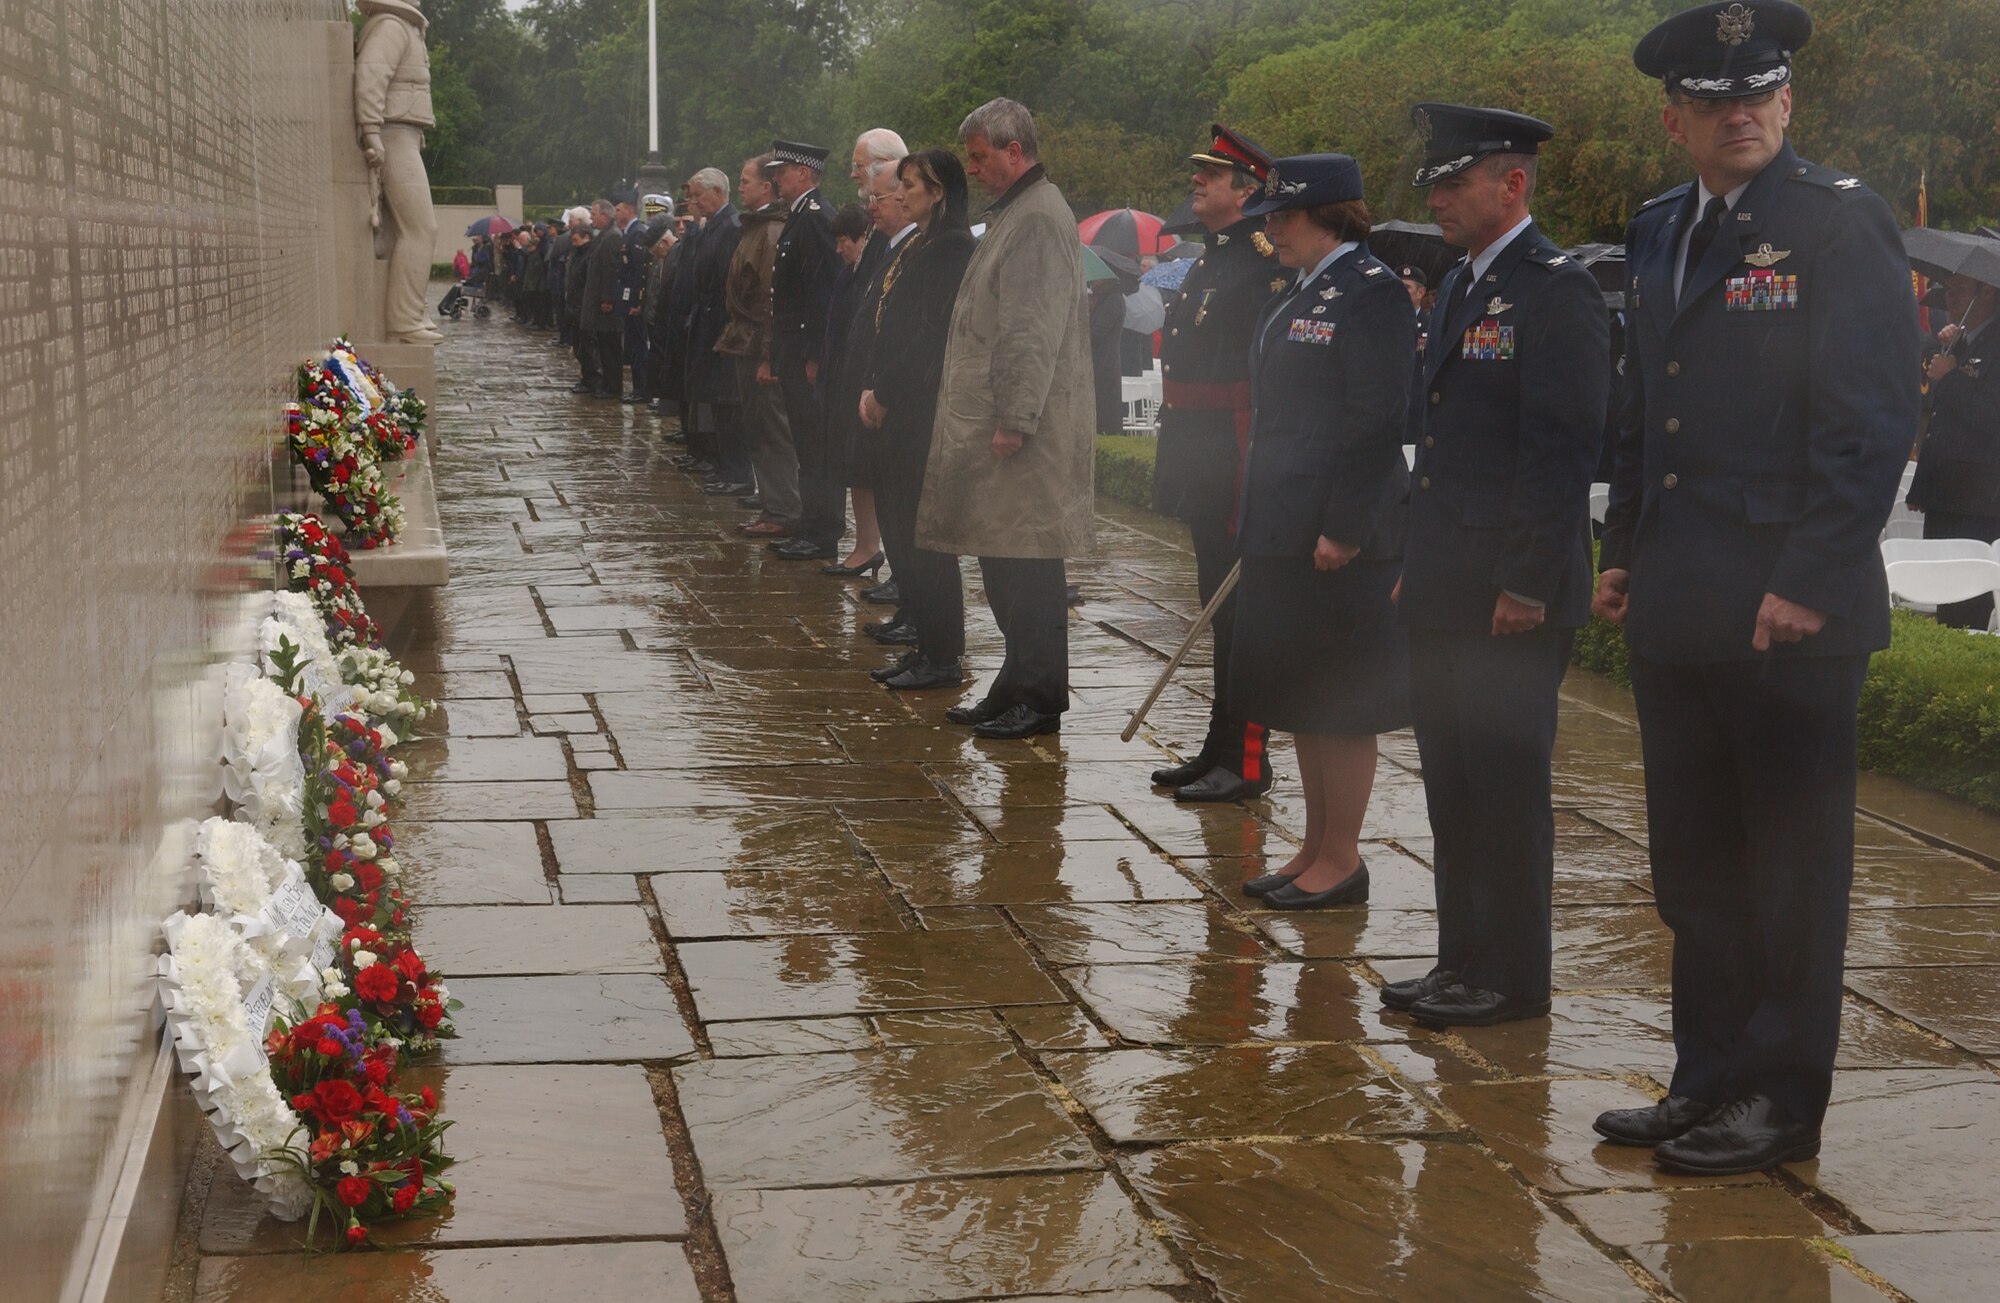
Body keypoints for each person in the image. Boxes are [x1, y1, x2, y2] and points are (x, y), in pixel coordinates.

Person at [1592, 0, 1920, 1175]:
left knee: (1787, 870)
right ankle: (1706, 1077)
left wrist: (1810, 579)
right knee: (1694, 864)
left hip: (1788, 611)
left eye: (1757, 97)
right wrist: (1621, 543)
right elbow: (1642, 407)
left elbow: (1871, 420)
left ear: (1784, 103)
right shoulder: (1652, 227)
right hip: (1682, 598)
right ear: (1674, 118)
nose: (1738, 116)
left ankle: (1778, 1100)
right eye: (1712, 102)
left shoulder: (1836, 225)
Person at [1390, 104, 1610, 1026]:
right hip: (1447, 578)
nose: (1437, 198)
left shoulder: (1556, 291)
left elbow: (1559, 452)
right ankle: (1460, 958)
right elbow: (1440, 443)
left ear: (1511, 183)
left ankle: (1512, 977)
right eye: (1433, 183)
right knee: (1453, 783)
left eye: (1454, 182)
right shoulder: (1460, 283)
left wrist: (1524, 578)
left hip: (1509, 593)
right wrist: (1416, 560)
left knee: (1506, 787)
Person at [1224, 153, 1412, 909]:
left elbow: (1374, 420)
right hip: (1285, 526)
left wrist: (1343, 526)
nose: (1273, 232)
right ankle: (1312, 845)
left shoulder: (1370, 294)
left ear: (1332, 212)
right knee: (1302, 691)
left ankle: (1343, 855)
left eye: (1284, 217)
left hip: (1339, 536)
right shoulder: (1299, 289)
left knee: (1342, 699)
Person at [922, 98, 1095, 740]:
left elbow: (1028, 328)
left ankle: (1041, 696)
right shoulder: (1017, 213)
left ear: (1014, 151)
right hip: (1004, 424)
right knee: (1002, 559)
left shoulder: (1039, 218)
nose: (972, 170)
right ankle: (1015, 680)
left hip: (1027, 431)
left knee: (1030, 564)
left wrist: (1015, 417)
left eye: (979, 157)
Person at [1147, 123, 1283, 804]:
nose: (1196, 181)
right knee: (1214, 603)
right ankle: (1219, 742)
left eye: (1211, 174)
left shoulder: (1264, 263)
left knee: (1244, 611)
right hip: (1200, 447)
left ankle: (1248, 757)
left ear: (1247, 189)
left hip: (1234, 450)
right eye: (1197, 171)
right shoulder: (1210, 257)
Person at [859, 148, 978, 691]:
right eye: (900, 183)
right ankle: (926, 645)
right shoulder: (923, 244)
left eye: (911, 184)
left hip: (920, 405)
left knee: (923, 537)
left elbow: (927, 336)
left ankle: (943, 655)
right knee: (904, 531)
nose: (901, 192)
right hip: (899, 402)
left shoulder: (951, 248)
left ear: (939, 194)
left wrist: (885, 391)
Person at [763, 141, 843, 561]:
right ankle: (811, 525)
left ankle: (822, 531)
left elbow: (823, 295)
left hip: (806, 355)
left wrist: (814, 356)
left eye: (784, 170)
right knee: (805, 445)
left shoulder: (814, 220)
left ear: (805, 174)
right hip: (794, 352)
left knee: (815, 447)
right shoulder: (800, 217)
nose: (776, 177)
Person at [1908, 273, 2000, 628]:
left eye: (1960, 288)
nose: (1949, 297)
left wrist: (1953, 378)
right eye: (1947, 288)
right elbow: (1943, 423)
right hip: (1948, 497)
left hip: (1978, 503)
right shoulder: (1963, 340)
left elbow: (1992, 417)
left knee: (1966, 610)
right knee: (1944, 608)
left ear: (1988, 292)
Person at [722, 154, 798, 539]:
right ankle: (775, 503)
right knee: (759, 428)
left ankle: (782, 510)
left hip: (758, 345)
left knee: (770, 429)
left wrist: (768, 355)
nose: (740, 187)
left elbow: (771, 299)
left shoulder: (769, 232)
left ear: (766, 187)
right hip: (747, 341)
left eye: (745, 180)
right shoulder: (756, 227)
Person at [818, 199, 887, 574]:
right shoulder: (850, 272)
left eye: (845, 240)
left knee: (864, 470)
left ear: (863, 237)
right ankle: (865, 545)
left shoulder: (873, 267)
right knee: (853, 470)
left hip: (864, 381)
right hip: (845, 378)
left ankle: (869, 547)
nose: (839, 249)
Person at [683, 168, 750, 493]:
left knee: (728, 402)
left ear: (717, 192)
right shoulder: (712, 227)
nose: (693, 201)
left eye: (698, 195)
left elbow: (729, 280)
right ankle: (725, 465)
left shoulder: (731, 227)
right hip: (708, 320)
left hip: (722, 322)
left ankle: (736, 470)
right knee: (716, 400)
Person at [582, 200, 625, 398]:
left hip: (606, 305)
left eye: (594, 214)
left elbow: (610, 270)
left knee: (610, 348)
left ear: (605, 216)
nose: (591, 217)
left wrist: (607, 299)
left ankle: (613, 386)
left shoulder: (612, 237)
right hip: (598, 301)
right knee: (603, 345)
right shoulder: (604, 236)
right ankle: (608, 384)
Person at [612, 191, 650, 403]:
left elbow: (639, 271)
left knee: (638, 346)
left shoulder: (637, 233)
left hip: (634, 302)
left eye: (618, 210)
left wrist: (636, 302)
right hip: (627, 299)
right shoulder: (629, 232)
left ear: (629, 210)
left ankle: (642, 389)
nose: (615, 214)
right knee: (633, 345)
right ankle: (638, 388)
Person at [564, 222, 597, 392]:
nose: (573, 243)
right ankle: (586, 377)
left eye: (576, 240)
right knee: (579, 346)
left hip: (583, 307)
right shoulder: (576, 253)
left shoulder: (590, 254)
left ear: (586, 237)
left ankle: (591, 379)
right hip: (574, 306)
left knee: (587, 347)